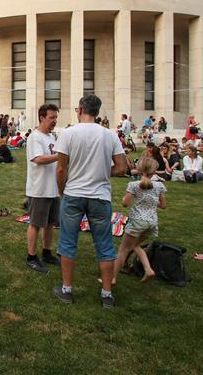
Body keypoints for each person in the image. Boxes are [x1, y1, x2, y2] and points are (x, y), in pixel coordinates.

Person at [53, 94, 126, 309]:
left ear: (80, 109)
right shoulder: (109, 135)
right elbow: (122, 167)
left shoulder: (68, 133)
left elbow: (60, 168)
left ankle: (66, 289)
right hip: (100, 195)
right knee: (104, 245)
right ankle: (106, 294)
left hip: (74, 193)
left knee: (68, 242)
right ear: (97, 112)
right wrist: (102, 172)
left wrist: (61, 190)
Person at [112, 156, 166, 284]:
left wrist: (124, 200)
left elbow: (125, 203)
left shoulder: (134, 185)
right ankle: (148, 269)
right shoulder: (159, 186)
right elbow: (163, 206)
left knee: (123, 249)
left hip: (137, 222)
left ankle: (112, 277)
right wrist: (151, 201)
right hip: (152, 223)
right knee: (135, 246)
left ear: (139, 169)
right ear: (154, 171)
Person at [25, 104, 60, 273]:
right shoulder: (35, 137)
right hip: (39, 189)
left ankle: (47, 253)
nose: (54, 121)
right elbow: (38, 159)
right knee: (35, 224)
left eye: (55, 117)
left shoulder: (52, 137)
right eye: (51, 117)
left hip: (53, 188)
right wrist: (60, 156)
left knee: (50, 224)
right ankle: (31, 257)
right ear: (41, 117)